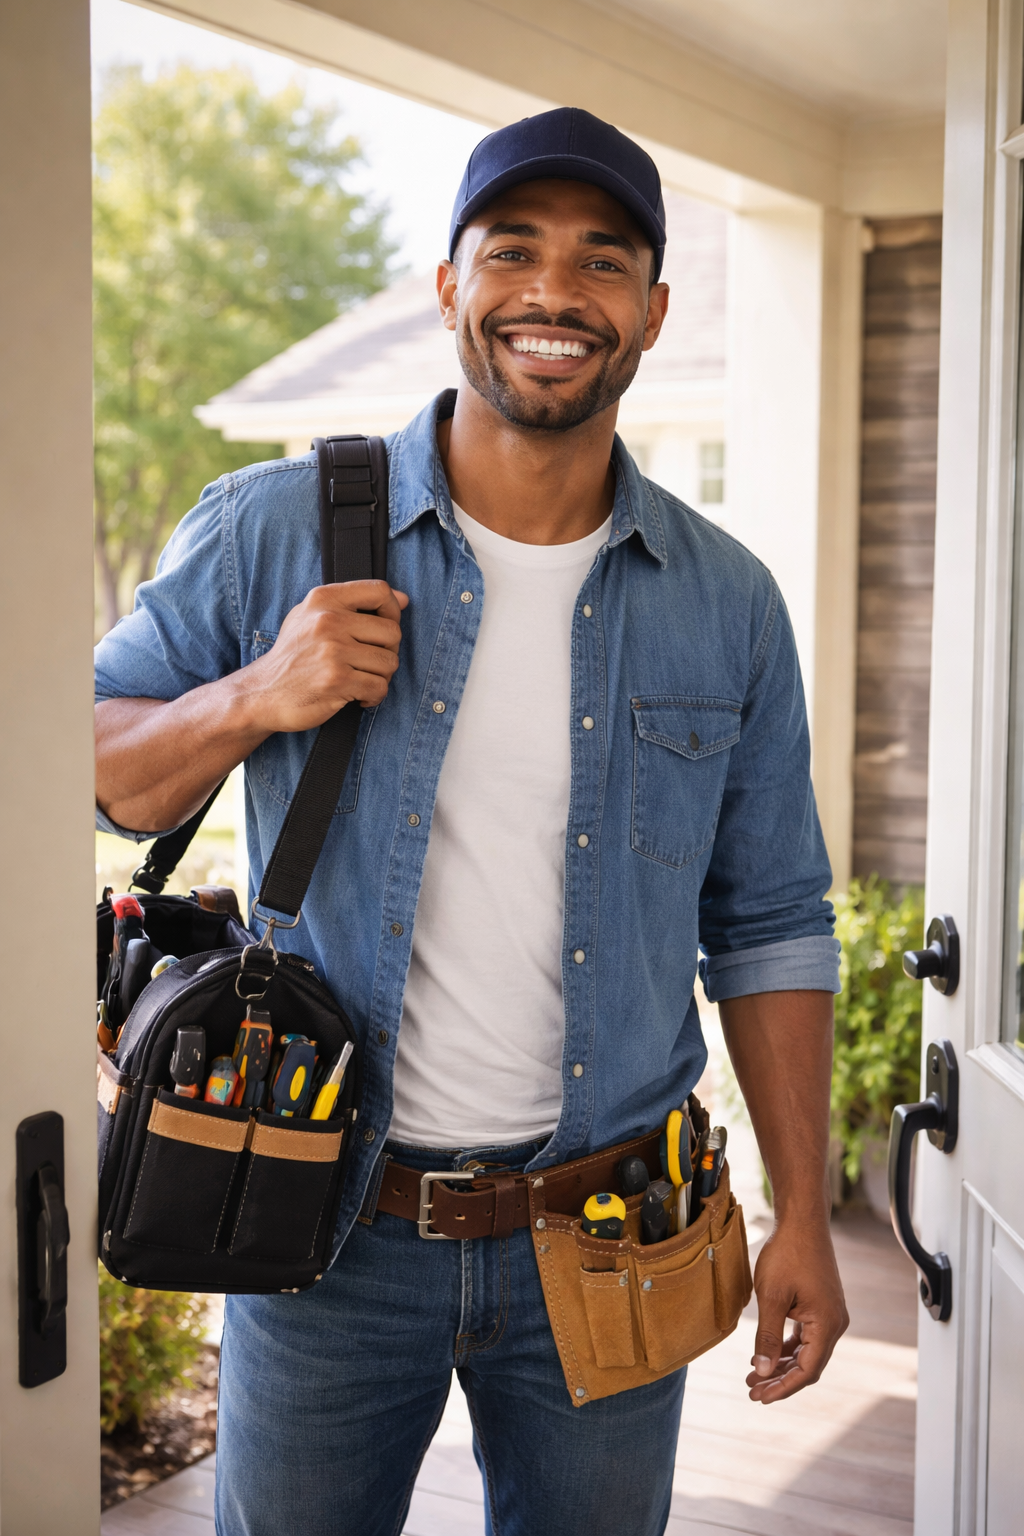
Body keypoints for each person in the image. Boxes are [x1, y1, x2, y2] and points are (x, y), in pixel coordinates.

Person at [95, 107, 848, 1536]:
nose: (554, 294)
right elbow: (93, 765)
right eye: (514, 251)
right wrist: (260, 693)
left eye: (602, 261)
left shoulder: (727, 602)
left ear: (652, 313)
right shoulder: (274, 530)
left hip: (613, 1233)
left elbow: (772, 923)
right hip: (322, 1230)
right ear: (450, 287)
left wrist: (804, 1211)